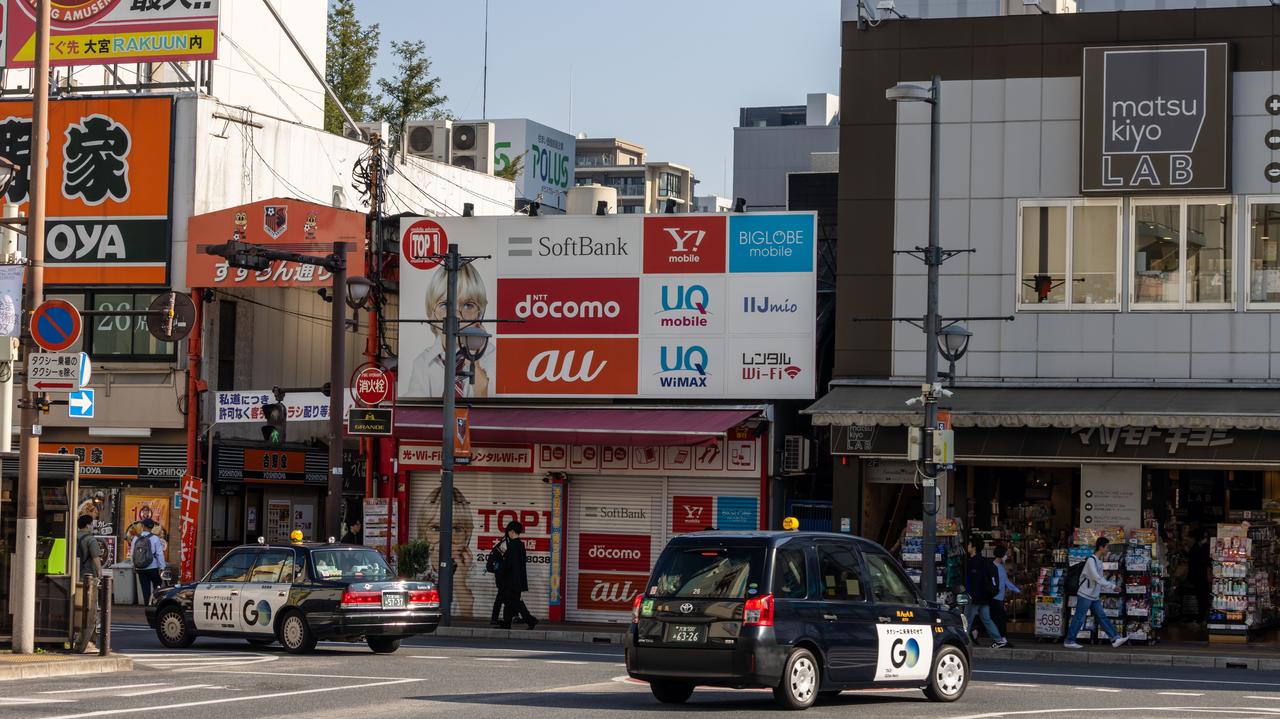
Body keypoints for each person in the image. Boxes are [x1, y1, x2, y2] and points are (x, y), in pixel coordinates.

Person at [405, 263, 495, 398]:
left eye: (468, 305)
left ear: (480, 314)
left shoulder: (494, 358)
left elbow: (490, 408)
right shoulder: (422, 363)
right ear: (431, 313)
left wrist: (473, 360)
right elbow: (415, 412)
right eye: (445, 305)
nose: (457, 316)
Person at [1064, 536, 1129, 649]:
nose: (1108, 550)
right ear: (1101, 547)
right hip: (1085, 594)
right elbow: (1097, 578)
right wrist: (1113, 586)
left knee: (1101, 617)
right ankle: (1069, 640)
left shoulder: (1098, 561)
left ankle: (1115, 638)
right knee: (1079, 617)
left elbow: (1099, 579)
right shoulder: (1091, 560)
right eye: (1107, 547)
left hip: (1093, 595)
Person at [963, 536, 1008, 648]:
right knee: (987, 619)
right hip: (984, 598)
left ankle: (962, 641)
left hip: (974, 598)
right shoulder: (984, 562)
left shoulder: (974, 562)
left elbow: (974, 582)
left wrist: (970, 595)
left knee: (967, 620)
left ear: (973, 547)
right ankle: (998, 640)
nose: (967, 546)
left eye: (969, 544)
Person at [496, 521, 537, 630]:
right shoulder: (520, 545)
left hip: (511, 580)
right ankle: (507, 623)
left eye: (509, 531)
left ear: (512, 531)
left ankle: (530, 620)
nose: (508, 533)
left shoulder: (513, 545)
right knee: (509, 602)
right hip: (517, 579)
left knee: (514, 602)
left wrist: (500, 569)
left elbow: (509, 564)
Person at [130, 518, 166, 605]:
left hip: (140, 568)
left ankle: (147, 605)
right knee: (157, 586)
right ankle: (156, 603)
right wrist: (162, 567)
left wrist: (134, 565)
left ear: (143, 526)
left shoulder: (136, 538)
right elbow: (159, 554)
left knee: (145, 588)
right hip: (153, 567)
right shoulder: (155, 538)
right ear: (152, 527)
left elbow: (132, 554)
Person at [991, 544, 1020, 640]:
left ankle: (1000, 637)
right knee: (1000, 619)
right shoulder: (996, 567)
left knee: (994, 618)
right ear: (1002, 555)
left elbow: (1006, 582)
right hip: (995, 597)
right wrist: (1017, 590)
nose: (1006, 556)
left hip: (997, 597)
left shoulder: (998, 566)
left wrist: (1016, 590)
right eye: (1005, 554)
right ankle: (1002, 638)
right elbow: (1006, 582)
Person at [77, 514, 103, 579]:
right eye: (91, 524)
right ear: (87, 526)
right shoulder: (90, 539)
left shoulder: (73, 536)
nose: (92, 526)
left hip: (73, 571)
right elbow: (95, 557)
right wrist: (99, 571)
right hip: (87, 574)